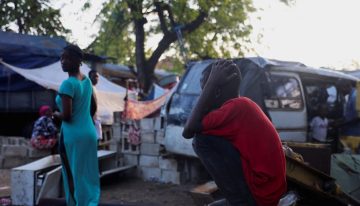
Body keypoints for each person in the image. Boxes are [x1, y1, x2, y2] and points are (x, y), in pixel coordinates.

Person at [183, 60, 287, 206]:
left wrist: (211, 84)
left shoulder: (237, 108)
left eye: (205, 91)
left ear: (216, 91)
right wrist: (212, 84)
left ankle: (240, 202)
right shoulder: (242, 105)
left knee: (201, 139)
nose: (203, 96)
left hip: (260, 196)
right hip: (268, 193)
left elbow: (188, 130)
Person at [53, 44, 100, 206]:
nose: (63, 61)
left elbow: (66, 115)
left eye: (67, 58)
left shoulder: (68, 84)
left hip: (72, 136)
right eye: (61, 58)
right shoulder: (87, 81)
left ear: (78, 60)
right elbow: (93, 108)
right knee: (88, 174)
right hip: (89, 133)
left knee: (73, 174)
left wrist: (55, 114)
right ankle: (90, 203)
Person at [88, 70, 103, 141]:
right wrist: (91, 118)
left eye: (97, 77)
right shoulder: (88, 87)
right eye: (94, 76)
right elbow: (91, 104)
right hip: (91, 119)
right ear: (89, 77)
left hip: (95, 118)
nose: (96, 78)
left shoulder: (94, 88)